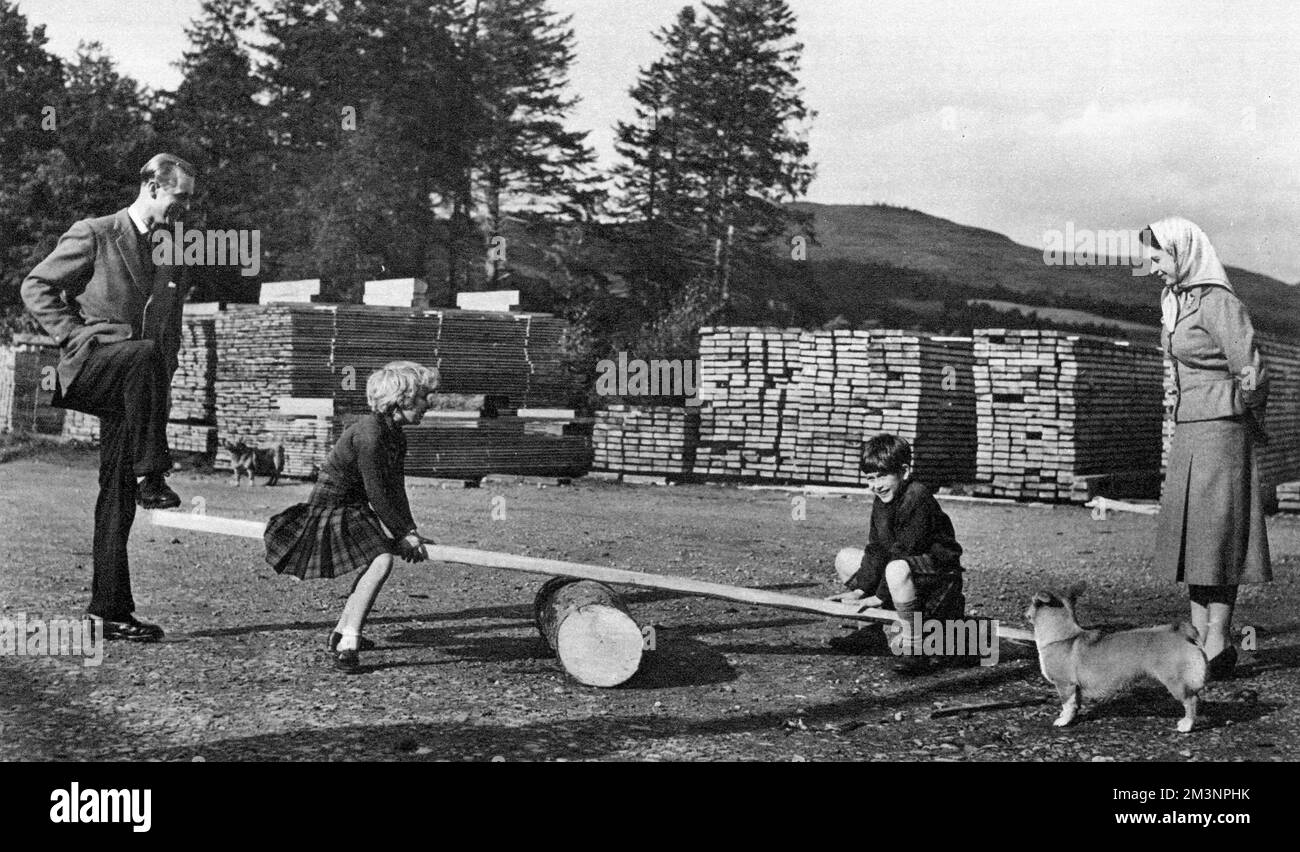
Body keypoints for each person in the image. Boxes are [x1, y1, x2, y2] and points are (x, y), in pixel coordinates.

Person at [20, 154, 196, 643]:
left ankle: (109, 609)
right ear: (153, 188)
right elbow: (36, 287)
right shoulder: (96, 232)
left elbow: (170, 327)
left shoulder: (173, 251)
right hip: (93, 365)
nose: (184, 210)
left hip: (138, 384)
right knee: (139, 355)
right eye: (179, 199)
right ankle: (153, 469)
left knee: (116, 495)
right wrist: (73, 335)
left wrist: (167, 374)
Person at [1143, 217, 1271, 680]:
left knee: (1217, 536)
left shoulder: (1219, 302)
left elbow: (1252, 369)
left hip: (1221, 429)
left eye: (1158, 257)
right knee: (1194, 537)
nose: (1152, 266)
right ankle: (1198, 638)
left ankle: (1219, 638)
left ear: (1182, 253)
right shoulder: (1175, 300)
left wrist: (1241, 417)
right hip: (1191, 428)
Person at [263, 361, 440, 673]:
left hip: (356, 507)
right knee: (382, 560)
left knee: (378, 559)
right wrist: (401, 535)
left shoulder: (395, 434)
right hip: (331, 508)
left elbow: (395, 488)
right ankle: (349, 643)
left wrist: (409, 530)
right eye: (425, 396)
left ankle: (343, 632)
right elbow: (378, 494)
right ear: (401, 400)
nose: (430, 404)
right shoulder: (370, 435)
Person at [827, 433, 965, 671]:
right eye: (870, 478)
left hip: (938, 579)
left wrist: (878, 597)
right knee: (846, 558)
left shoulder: (917, 497)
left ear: (904, 471)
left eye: (882, 476)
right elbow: (876, 548)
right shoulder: (882, 499)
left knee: (896, 568)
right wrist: (860, 590)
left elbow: (904, 551)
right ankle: (870, 633)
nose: (875, 485)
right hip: (905, 572)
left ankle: (915, 648)